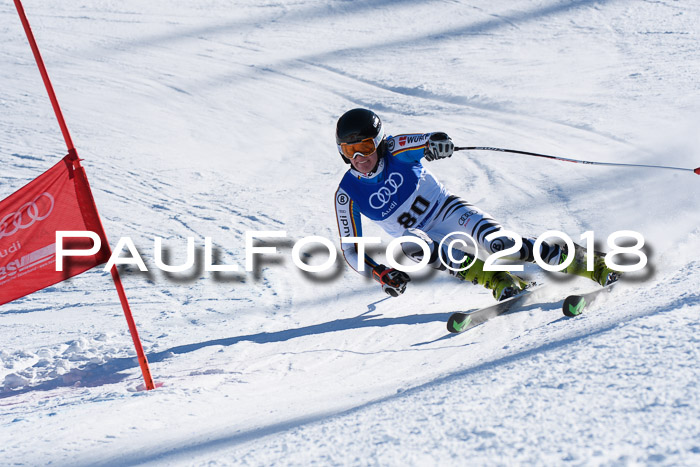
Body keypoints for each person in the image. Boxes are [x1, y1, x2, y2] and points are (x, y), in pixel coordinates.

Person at [333, 108, 619, 300]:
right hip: (424, 238)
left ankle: (594, 265)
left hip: (448, 211)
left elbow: (426, 140)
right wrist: (379, 272)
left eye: (366, 147)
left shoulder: (395, 148)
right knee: (411, 245)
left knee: (502, 245)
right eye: (350, 150)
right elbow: (350, 249)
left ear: (379, 142)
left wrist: (437, 143)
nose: (360, 157)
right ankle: (498, 282)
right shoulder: (347, 195)